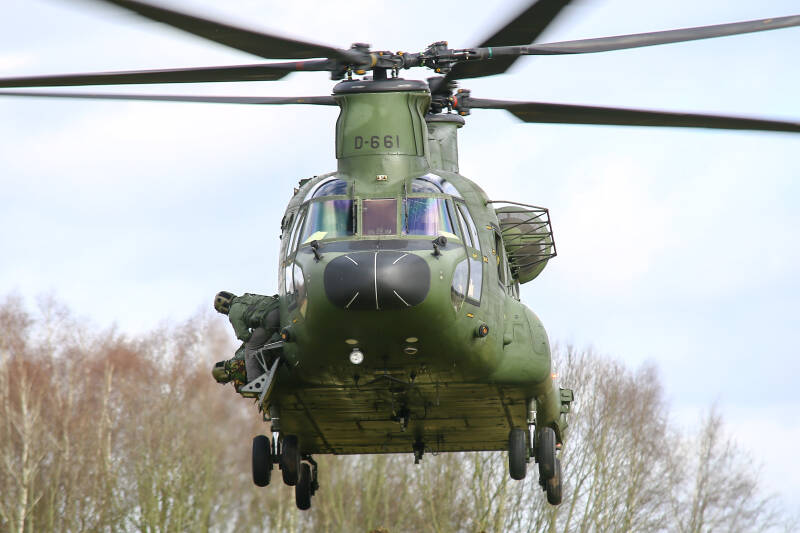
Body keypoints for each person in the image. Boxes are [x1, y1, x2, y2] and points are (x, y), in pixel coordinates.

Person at [211, 291, 281, 392]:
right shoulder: (244, 297)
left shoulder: (233, 312)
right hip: (278, 309)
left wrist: (250, 337)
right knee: (258, 340)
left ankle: (256, 383)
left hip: (270, 319)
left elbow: (243, 335)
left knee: (250, 348)